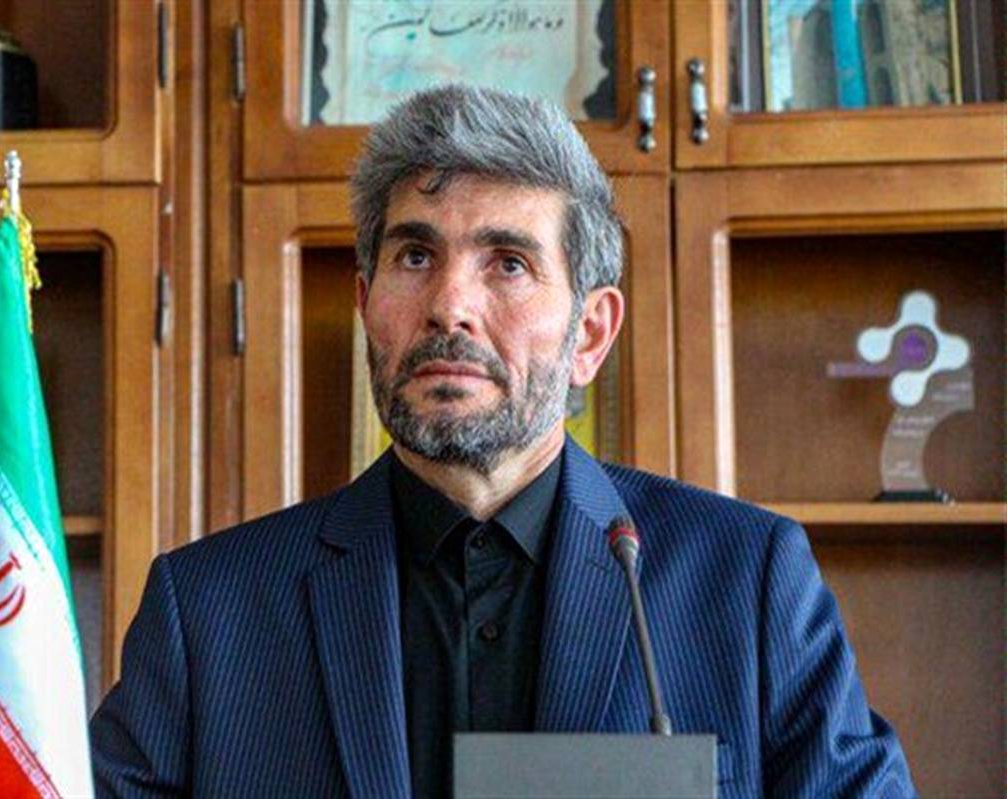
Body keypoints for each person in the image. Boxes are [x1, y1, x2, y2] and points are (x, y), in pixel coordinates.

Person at [90, 85, 914, 798]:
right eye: (416, 255)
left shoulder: (746, 581)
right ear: (366, 303)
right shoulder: (209, 612)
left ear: (590, 332)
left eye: (508, 263)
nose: (450, 304)